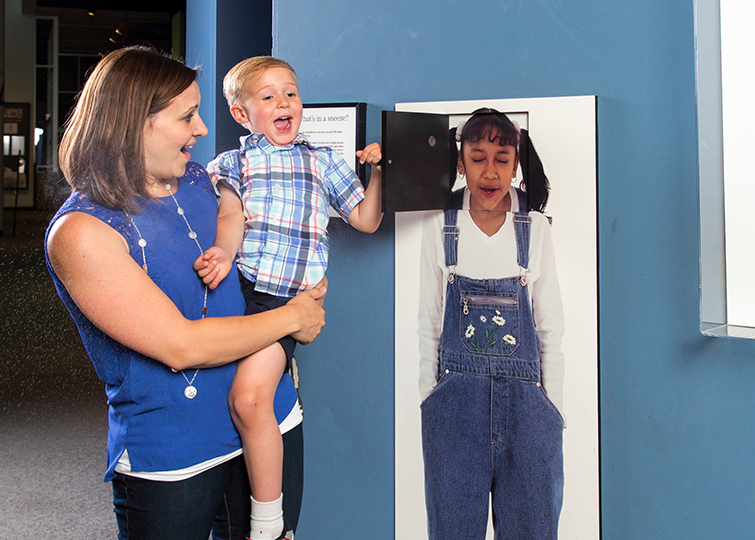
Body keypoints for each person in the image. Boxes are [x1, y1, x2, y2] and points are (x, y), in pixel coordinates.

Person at [44, 46, 325, 540]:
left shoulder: (204, 179)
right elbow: (182, 345)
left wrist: (309, 280)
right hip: (173, 453)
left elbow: (278, 241)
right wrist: (294, 317)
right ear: (133, 124)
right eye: (187, 116)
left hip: (267, 418)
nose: (202, 129)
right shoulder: (81, 232)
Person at [193, 56, 383, 540]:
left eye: (291, 93)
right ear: (241, 114)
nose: (284, 103)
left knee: (250, 399)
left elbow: (365, 220)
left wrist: (378, 172)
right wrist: (221, 252)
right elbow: (230, 219)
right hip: (243, 294)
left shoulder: (322, 160)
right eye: (268, 96)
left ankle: (269, 525)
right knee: (229, 401)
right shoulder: (230, 164)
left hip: (286, 303)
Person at [417, 109, 565, 539]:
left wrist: (552, 410)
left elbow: (550, 326)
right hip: (454, 407)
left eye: (502, 158)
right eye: (477, 157)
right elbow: (427, 322)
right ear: (460, 162)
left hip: (529, 409)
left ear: (516, 164)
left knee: (532, 530)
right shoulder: (441, 226)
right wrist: (431, 400)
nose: (490, 171)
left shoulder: (534, 229)